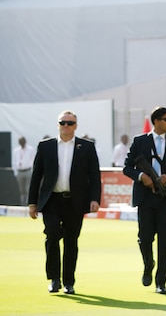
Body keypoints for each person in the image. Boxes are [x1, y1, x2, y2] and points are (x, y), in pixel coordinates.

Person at [28, 110, 101, 295]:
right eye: (63, 123)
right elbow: (36, 175)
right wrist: (32, 203)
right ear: (58, 124)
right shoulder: (45, 146)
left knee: (71, 241)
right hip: (52, 200)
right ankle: (54, 279)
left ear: (76, 126)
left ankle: (69, 281)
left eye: (70, 123)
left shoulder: (86, 147)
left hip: (75, 201)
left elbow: (94, 175)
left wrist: (94, 199)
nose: (66, 126)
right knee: (52, 235)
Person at [123, 107, 166, 294]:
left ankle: (161, 282)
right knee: (145, 238)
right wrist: (141, 176)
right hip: (145, 197)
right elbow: (127, 167)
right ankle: (148, 264)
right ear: (156, 121)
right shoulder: (140, 141)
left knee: (165, 242)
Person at [12, 136, 36, 205]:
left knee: (28, 189)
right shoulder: (16, 151)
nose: (21, 143)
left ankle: (29, 204)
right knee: (21, 189)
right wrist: (15, 172)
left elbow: (33, 160)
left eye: (22, 141)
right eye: (20, 142)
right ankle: (23, 204)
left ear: (25, 142)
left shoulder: (30, 149)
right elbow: (14, 162)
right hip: (20, 171)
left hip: (28, 170)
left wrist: (32, 170)